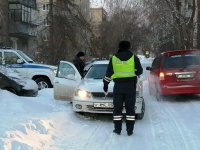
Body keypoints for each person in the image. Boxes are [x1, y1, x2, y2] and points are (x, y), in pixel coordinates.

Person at [103, 40, 143, 136]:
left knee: (117, 109)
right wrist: (134, 70)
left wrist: (105, 85)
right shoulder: (134, 58)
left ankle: (117, 129)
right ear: (129, 47)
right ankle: (130, 130)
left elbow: (109, 74)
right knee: (130, 109)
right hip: (130, 87)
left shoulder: (113, 58)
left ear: (119, 47)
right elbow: (140, 71)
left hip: (118, 87)